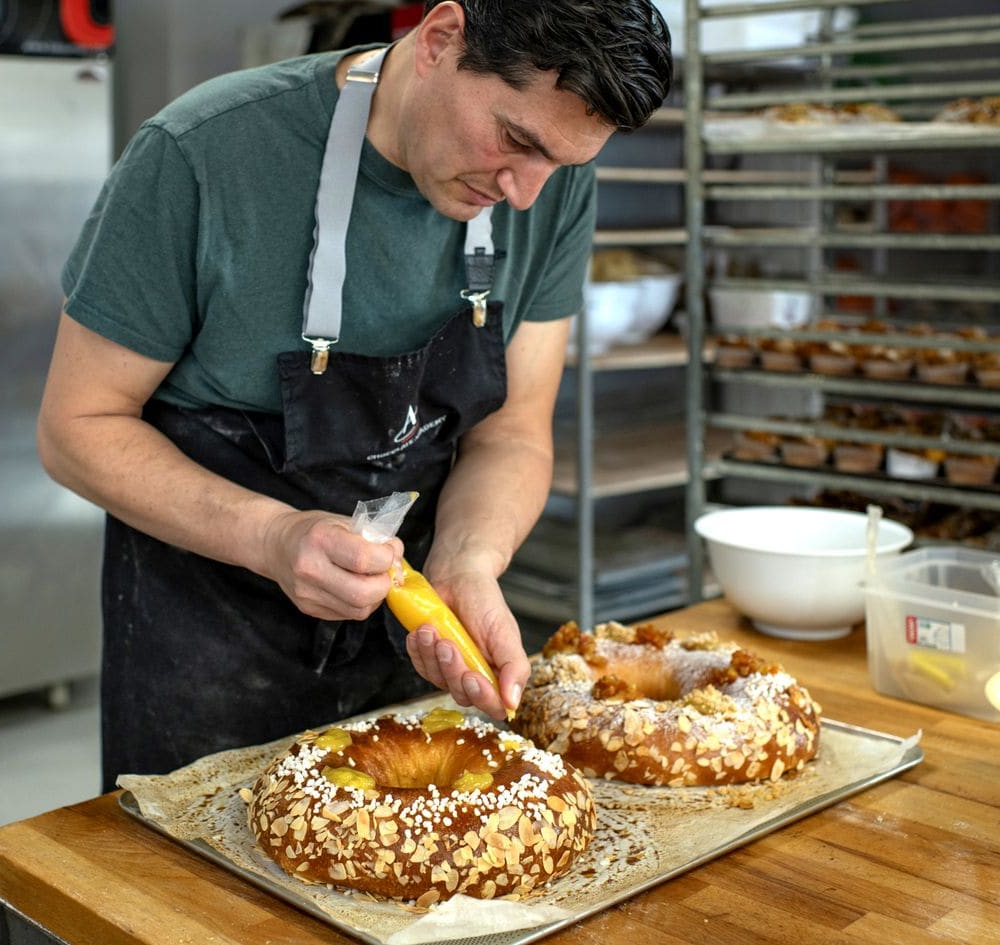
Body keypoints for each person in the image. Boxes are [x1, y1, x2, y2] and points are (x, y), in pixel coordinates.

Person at [37, 0, 673, 789]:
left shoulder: (548, 188)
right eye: (515, 140)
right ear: (440, 39)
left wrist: (469, 560)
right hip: (205, 654)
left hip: (399, 659)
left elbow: (511, 432)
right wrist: (274, 537)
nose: (525, 196)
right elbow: (77, 426)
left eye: (563, 164)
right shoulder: (203, 154)